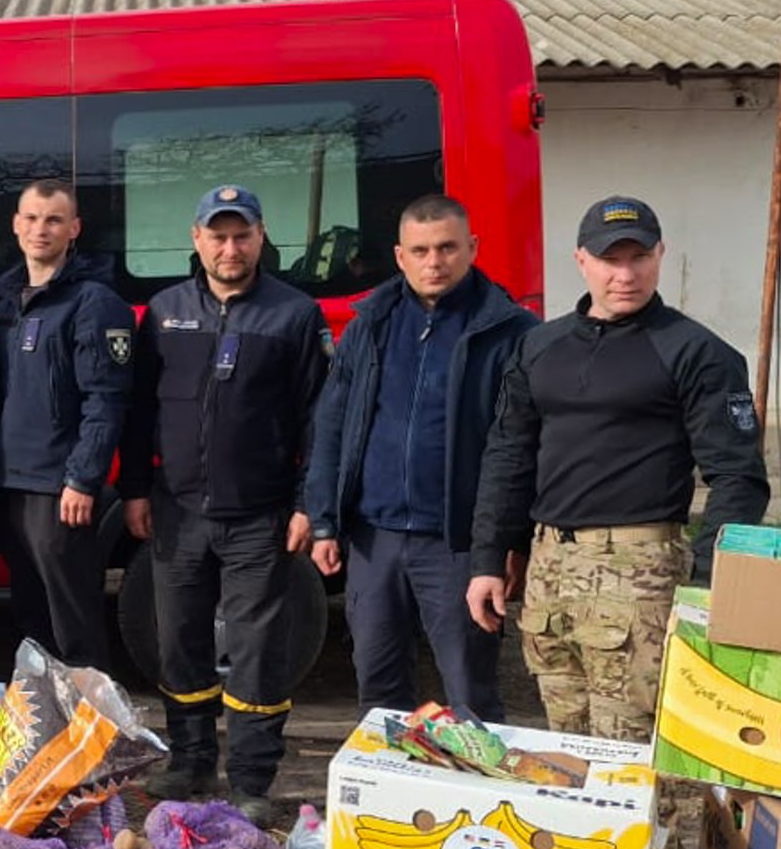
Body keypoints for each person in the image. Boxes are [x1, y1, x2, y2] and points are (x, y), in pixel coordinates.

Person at [467, 196, 769, 742]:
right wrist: (489, 557)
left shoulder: (696, 351)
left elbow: (738, 477)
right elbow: (509, 454)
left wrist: (703, 584)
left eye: (638, 258)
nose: (625, 274)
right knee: (566, 747)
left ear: (660, 255)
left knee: (634, 754)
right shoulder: (539, 346)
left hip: (642, 576)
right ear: (582, 259)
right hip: (550, 573)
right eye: (610, 259)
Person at [117, 186, 330, 824]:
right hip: (176, 511)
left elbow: (319, 421)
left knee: (257, 649)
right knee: (178, 641)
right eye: (218, 235)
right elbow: (138, 410)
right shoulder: (164, 311)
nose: (230, 247)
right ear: (197, 239)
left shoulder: (294, 315)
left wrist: (305, 504)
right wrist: (132, 489)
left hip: (260, 514)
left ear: (261, 238)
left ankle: (251, 777)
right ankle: (189, 760)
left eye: (242, 235)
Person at [305, 196, 536, 721]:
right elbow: (332, 423)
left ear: (472, 248)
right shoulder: (371, 323)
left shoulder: (510, 332)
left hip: (456, 543)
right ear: (400, 256)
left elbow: (521, 452)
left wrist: (506, 543)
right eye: (421, 250)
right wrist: (324, 521)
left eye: (448, 248)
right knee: (379, 694)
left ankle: (479, 802)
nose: (435, 262)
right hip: (374, 539)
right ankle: (389, 801)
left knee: (470, 695)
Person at [0, 179, 135, 671]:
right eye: (31, 218)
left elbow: (106, 399)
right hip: (12, 483)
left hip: (60, 489)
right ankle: (50, 726)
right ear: (15, 225)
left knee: (73, 620)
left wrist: (82, 477)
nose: (40, 229)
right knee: (32, 617)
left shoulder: (93, 302)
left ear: (74, 229)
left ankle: (92, 727)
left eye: (53, 219)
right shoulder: (8, 303)